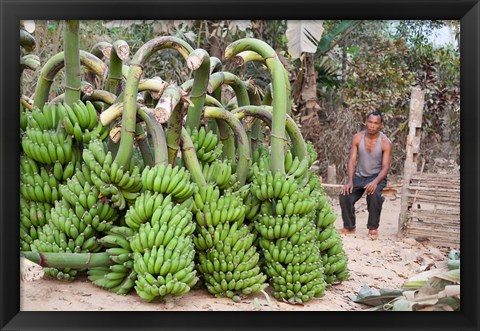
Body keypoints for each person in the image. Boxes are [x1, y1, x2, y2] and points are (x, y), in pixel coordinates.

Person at [339, 111, 392, 240]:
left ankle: (373, 228)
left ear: (381, 125)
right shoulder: (357, 138)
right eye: (370, 122)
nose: (372, 126)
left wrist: (375, 182)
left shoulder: (385, 142)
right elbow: (352, 160)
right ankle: (349, 227)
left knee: (374, 195)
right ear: (365, 122)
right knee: (345, 194)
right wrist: (350, 181)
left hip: (377, 177)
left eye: (375, 123)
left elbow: (385, 167)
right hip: (359, 176)